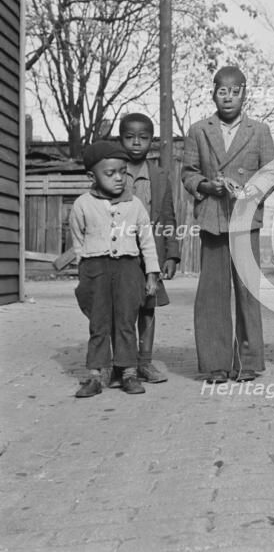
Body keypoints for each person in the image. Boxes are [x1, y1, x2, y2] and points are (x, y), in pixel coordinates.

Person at [182, 66, 274, 384]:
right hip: (212, 218)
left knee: (247, 292)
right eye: (222, 90)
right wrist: (208, 186)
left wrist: (249, 191)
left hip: (245, 220)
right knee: (212, 294)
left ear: (244, 94)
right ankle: (215, 364)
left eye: (235, 90)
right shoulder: (198, 130)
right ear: (213, 93)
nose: (228, 97)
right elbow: (188, 173)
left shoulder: (259, 131)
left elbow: (272, 174)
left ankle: (248, 362)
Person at [69, 141, 160, 397]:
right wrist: (84, 272)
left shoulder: (135, 205)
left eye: (122, 171)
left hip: (129, 271)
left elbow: (148, 242)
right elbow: (78, 241)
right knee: (99, 324)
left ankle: (128, 372)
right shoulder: (82, 205)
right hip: (95, 270)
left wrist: (151, 274)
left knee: (126, 322)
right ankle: (96, 375)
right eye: (110, 173)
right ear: (92, 176)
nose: (119, 178)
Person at [113, 112, 180, 386]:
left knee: (148, 308)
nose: (136, 143)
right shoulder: (113, 170)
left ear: (151, 141)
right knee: (121, 308)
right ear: (121, 139)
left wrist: (172, 254)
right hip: (121, 252)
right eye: (129, 138)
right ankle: (121, 364)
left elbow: (168, 215)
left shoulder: (159, 174)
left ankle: (145, 361)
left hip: (151, 253)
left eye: (143, 138)